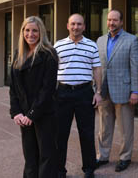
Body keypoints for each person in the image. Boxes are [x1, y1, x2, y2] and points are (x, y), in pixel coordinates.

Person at [9, 16, 58, 178]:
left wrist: (32, 114)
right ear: (22, 32)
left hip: (43, 113)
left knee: (46, 155)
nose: (31, 34)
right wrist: (16, 112)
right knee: (30, 156)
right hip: (23, 115)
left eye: (35, 30)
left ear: (41, 32)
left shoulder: (49, 54)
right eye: (27, 30)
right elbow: (14, 88)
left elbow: (48, 89)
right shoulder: (18, 54)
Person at [54, 14, 102, 178]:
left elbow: (97, 69)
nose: (76, 27)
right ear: (68, 26)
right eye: (73, 24)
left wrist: (98, 92)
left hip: (84, 92)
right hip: (62, 93)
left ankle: (89, 169)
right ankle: (59, 170)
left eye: (79, 24)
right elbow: (52, 70)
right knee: (60, 134)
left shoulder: (91, 45)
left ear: (84, 26)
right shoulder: (58, 46)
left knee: (87, 133)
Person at [96, 9, 138, 172]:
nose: (111, 23)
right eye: (109, 20)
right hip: (104, 91)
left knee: (125, 128)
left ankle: (125, 157)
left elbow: (135, 68)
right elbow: (97, 67)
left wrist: (135, 91)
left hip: (124, 90)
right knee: (104, 127)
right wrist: (96, 89)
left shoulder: (131, 40)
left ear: (121, 22)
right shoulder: (100, 40)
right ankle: (102, 155)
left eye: (115, 20)